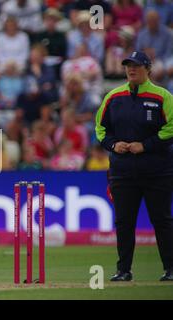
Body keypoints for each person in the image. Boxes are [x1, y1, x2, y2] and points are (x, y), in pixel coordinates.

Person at [95, 51, 173, 281]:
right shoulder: (113, 96)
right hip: (122, 171)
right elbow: (100, 128)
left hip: (157, 170)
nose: (131, 69)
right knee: (123, 222)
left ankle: (170, 268)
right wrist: (113, 144)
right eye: (128, 66)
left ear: (148, 69)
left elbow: (171, 128)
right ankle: (123, 270)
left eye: (137, 66)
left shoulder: (162, 96)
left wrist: (146, 145)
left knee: (161, 220)